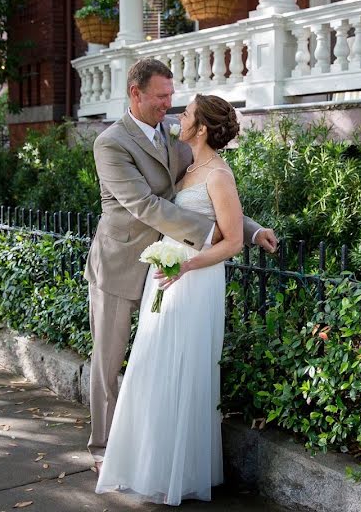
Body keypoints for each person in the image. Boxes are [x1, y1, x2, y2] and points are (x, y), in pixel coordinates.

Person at [84, 59, 277, 478]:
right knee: (109, 362)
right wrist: (216, 237)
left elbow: (200, 189)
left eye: (172, 97)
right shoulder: (111, 143)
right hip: (118, 265)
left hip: (169, 268)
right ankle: (103, 447)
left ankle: (146, 451)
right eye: (160, 97)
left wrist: (249, 229)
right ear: (136, 94)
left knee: (153, 366)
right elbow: (146, 206)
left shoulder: (172, 137)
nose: (169, 106)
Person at [95, 93, 250, 504]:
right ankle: (148, 463)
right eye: (166, 98)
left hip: (192, 279)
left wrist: (189, 265)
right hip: (162, 274)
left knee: (182, 371)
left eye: (187, 113)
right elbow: (162, 206)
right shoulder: (186, 160)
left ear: (200, 128)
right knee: (154, 368)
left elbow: (229, 234)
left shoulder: (217, 172)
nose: (177, 113)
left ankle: (179, 470)